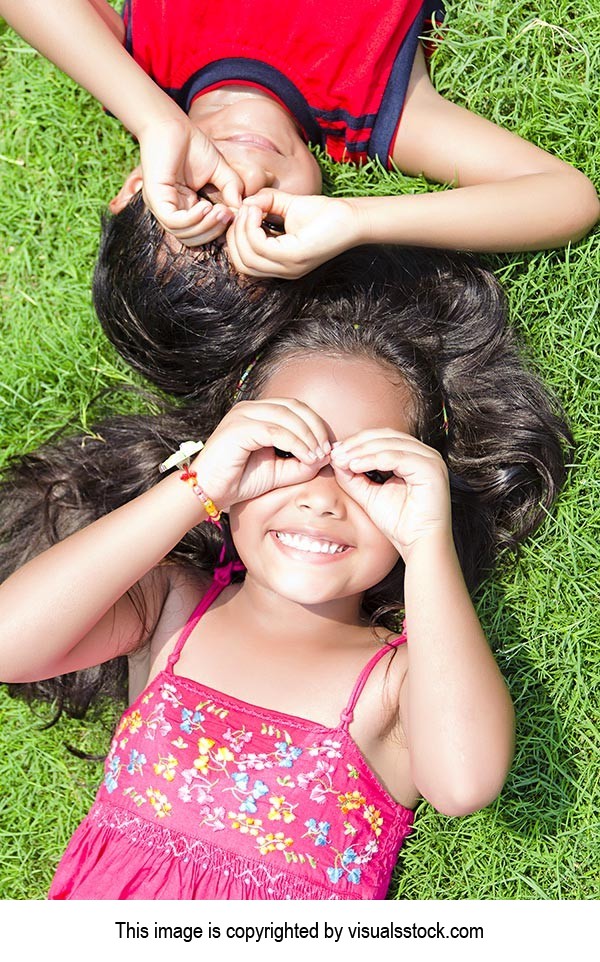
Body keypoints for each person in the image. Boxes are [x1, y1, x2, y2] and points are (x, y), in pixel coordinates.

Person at [0, 249, 571, 899]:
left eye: (374, 473)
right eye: (286, 452)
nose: (322, 498)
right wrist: (196, 486)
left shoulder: (395, 679)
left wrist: (428, 543)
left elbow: (465, 781)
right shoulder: (173, 608)